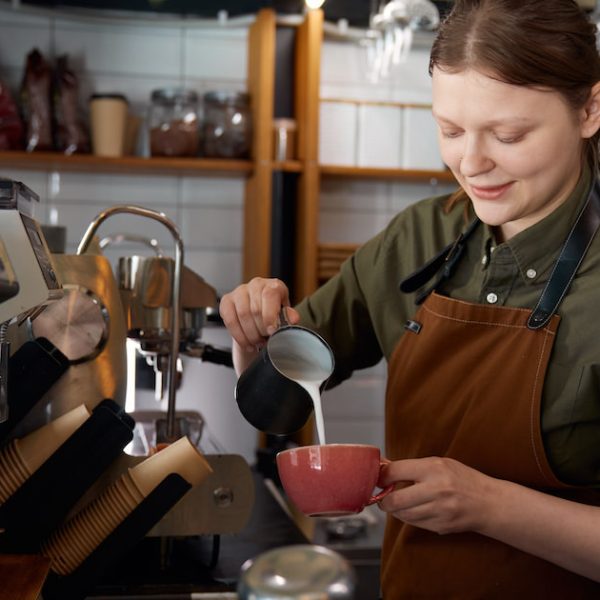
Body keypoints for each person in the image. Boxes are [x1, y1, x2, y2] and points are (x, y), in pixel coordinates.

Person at [220, 0, 600, 596]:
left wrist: (490, 505)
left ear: (590, 109)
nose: (471, 164)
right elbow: (279, 405)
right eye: (449, 131)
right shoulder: (419, 237)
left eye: (509, 134)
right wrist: (254, 339)